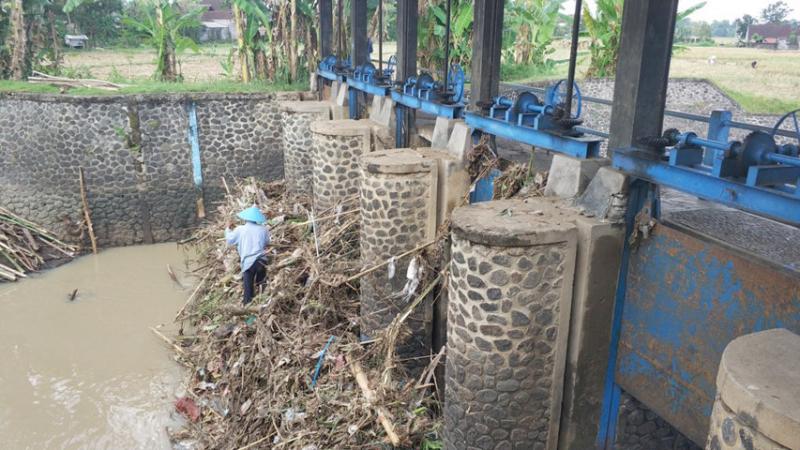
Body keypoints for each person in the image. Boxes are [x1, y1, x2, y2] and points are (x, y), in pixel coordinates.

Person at [225, 205, 271, 305]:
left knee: (248, 290)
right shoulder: (264, 229)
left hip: (248, 262)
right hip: (261, 261)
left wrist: (228, 228)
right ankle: (264, 305)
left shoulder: (240, 229)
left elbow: (229, 239)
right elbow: (267, 242)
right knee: (262, 285)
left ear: (246, 218)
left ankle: (249, 312)